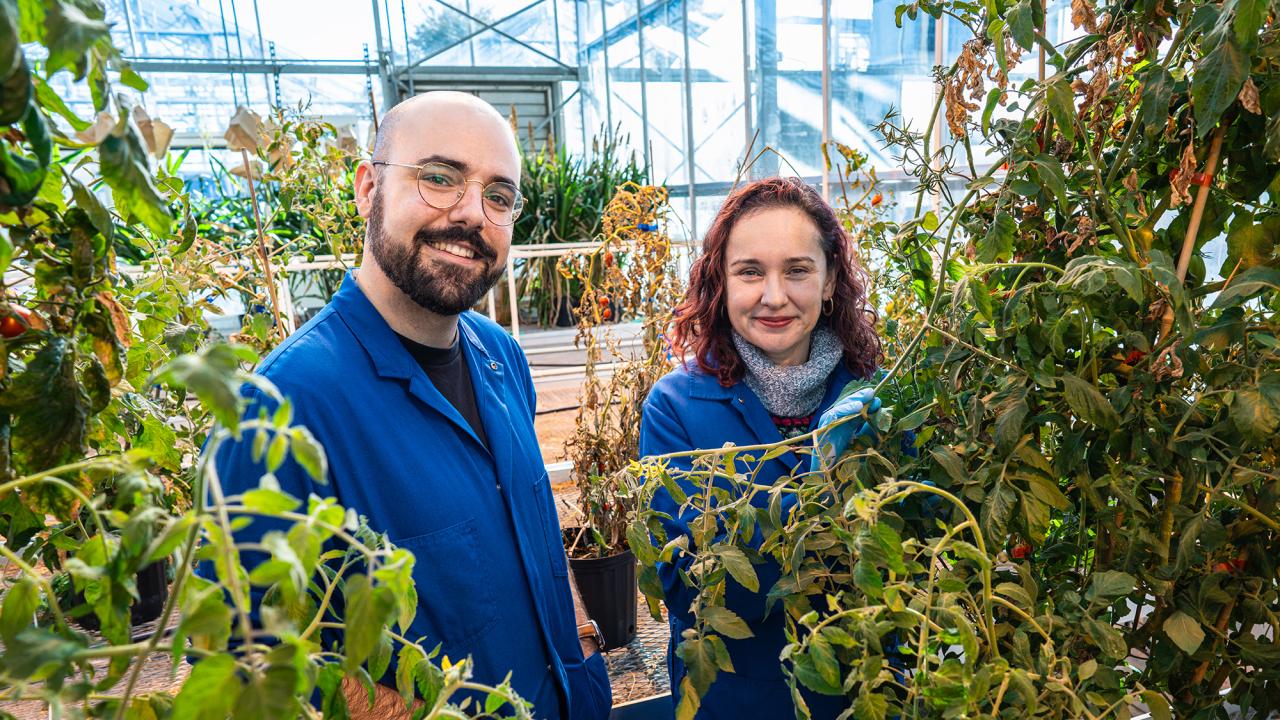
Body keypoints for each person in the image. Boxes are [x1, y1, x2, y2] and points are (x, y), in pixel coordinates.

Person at [202, 92, 611, 720]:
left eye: (499, 196)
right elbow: (260, 665)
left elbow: (534, 529)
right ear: (368, 189)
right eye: (440, 178)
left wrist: (583, 647)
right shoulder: (277, 412)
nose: (472, 213)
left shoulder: (501, 357)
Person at [638, 177, 884, 719]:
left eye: (797, 270)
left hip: (862, 694)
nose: (774, 296)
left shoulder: (875, 399)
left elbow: (909, 560)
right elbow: (684, 588)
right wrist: (823, 489)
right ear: (720, 284)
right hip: (736, 700)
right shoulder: (675, 408)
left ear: (829, 280)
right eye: (750, 271)